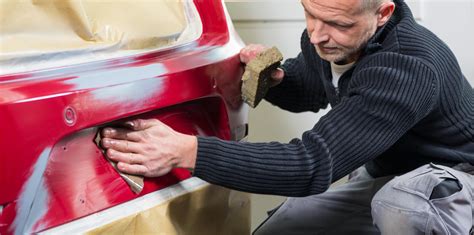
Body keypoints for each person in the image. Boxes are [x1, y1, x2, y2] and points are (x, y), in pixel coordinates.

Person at [100, 0, 474, 234]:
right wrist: (277, 80)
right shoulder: (329, 35)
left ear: (383, 13)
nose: (317, 36)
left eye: (339, 25)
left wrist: (187, 152)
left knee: (401, 206)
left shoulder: (407, 68)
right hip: (393, 171)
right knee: (289, 226)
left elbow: (311, 165)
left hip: (456, 178)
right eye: (310, 13)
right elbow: (313, 87)